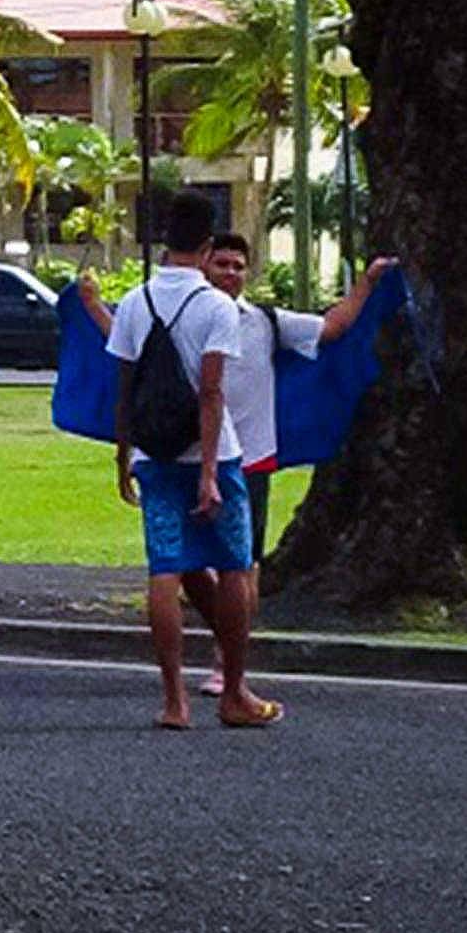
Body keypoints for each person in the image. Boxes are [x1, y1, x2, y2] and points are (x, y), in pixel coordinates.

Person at [198, 231, 397, 726]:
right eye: (221, 264)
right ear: (203, 267)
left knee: (243, 564)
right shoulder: (191, 316)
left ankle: (228, 663)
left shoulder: (264, 321)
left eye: (238, 265)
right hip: (194, 456)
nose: (230, 273)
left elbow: (330, 329)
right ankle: (226, 642)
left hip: (250, 456)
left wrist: (368, 285)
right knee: (185, 561)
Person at [109, 191, 254, 730]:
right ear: (209, 244)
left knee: (164, 570)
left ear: (163, 240)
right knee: (235, 567)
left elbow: (124, 387)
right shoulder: (216, 306)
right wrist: (212, 472)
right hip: (210, 456)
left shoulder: (133, 302)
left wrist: (123, 455)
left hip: (154, 456)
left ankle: (174, 700)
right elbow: (211, 394)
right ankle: (233, 691)